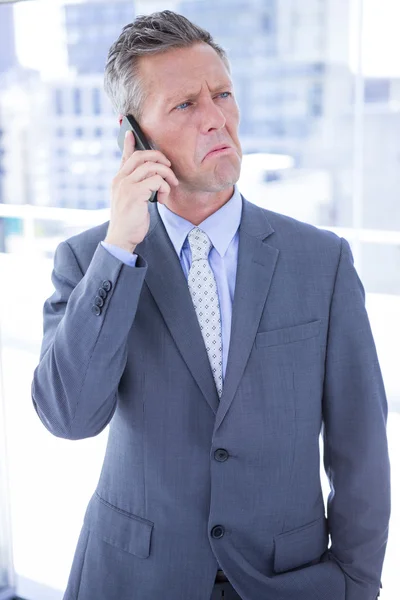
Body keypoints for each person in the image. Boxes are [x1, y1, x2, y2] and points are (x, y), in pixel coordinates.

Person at [31, 10, 391, 600]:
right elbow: (68, 417)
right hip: (133, 580)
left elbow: (362, 451)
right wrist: (119, 248)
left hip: (288, 581)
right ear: (134, 135)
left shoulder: (321, 261)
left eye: (222, 94)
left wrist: (355, 583)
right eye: (185, 106)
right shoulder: (90, 261)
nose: (216, 118)